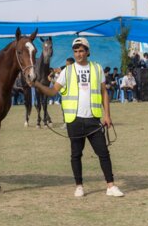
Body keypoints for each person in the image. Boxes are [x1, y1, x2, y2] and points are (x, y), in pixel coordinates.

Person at [33, 37, 124, 197]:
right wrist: (37, 85)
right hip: (74, 120)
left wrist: (107, 115)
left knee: (103, 153)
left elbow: (104, 92)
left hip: (93, 119)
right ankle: (79, 186)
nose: (78, 54)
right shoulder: (66, 71)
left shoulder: (97, 68)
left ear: (87, 52)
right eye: (75, 51)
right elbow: (53, 91)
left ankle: (111, 186)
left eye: (81, 51)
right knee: (76, 154)